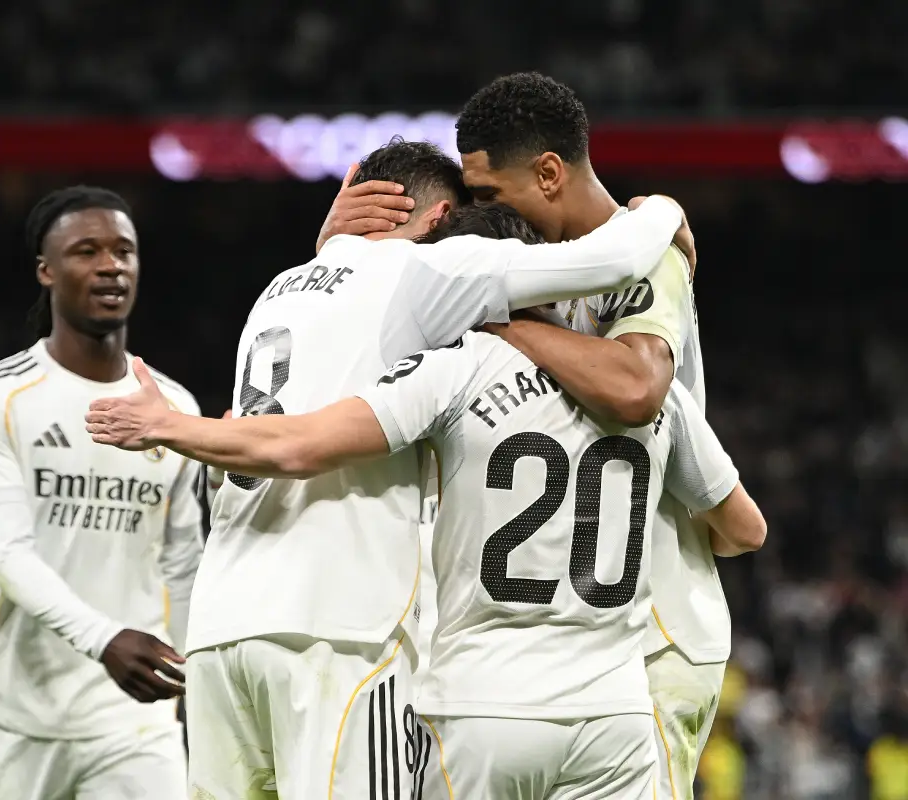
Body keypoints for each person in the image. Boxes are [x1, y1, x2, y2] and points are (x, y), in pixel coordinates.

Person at [81, 206, 765, 799]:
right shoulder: (652, 393)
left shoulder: (454, 370)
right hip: (613, 708)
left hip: (482, 702)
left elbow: (304, 442)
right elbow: (743, 529)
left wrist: (182, 428)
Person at [320, 72, 728, 799]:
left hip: (649, 633)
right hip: (563, 640)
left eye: (486, 195)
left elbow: (637, 388)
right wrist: (333, 249)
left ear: (547, 173)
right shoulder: (535, 265)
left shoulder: (644, 260)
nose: (474, 215)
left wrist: (500, 318)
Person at [0, 185, 204, 800]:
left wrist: (200, 670)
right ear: (46, 269)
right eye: (86, 251)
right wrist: (104, 640)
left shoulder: (172, 407)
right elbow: (7, 555)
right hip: (13, 716)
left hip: (134, 723)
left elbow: (182, 562)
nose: (111, 265)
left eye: (124, 251)